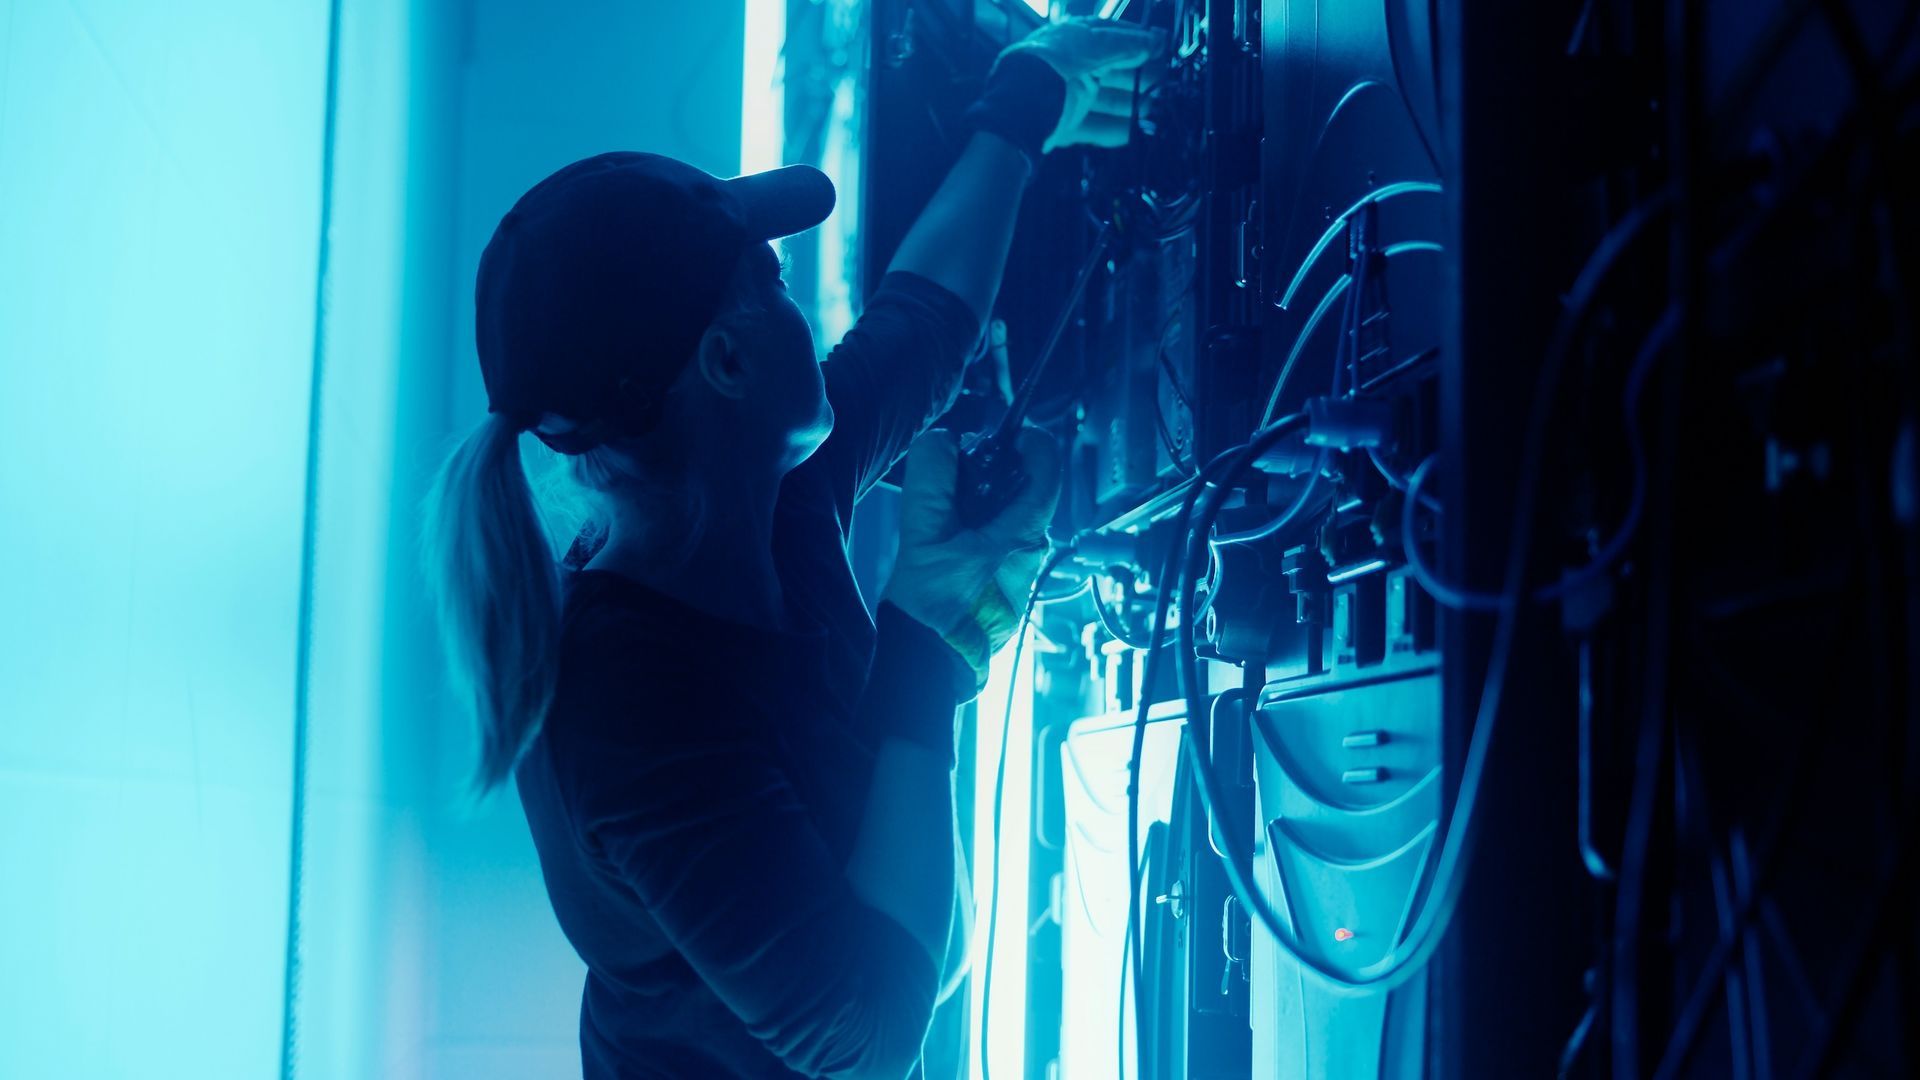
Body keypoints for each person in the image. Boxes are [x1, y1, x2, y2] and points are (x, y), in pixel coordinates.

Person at [422, 17, 1164, 1079]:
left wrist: (1022, 106)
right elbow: (867, 1041)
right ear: (726, 360)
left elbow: (922, 329)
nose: (793, 299)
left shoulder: (767, 489)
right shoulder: (628, 703)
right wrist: (929, 645)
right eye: (768, 281)